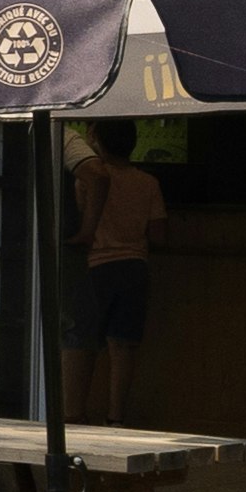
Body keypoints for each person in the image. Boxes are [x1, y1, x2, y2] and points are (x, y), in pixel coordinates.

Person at [64, 122, 165, 425]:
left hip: (95, 267)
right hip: (135, 268)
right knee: (123, 346)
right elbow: (159, 233)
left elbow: (76, 217)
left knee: (84, 342)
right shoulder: (148, 182)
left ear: (97, 141)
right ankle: (116, 417)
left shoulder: (85, 181)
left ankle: (75, 413)